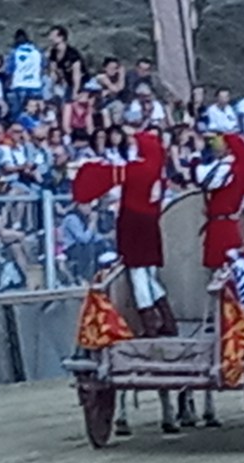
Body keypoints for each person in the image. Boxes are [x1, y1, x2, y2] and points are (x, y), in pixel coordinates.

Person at [72, 130, 177, 338]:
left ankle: (150, 325)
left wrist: (87, 169)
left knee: (137, 274)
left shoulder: (137, 168)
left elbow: (107, 175)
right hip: (150, 223)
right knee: (148, 274)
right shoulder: (159, 168)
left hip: (134, 223)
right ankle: (168, 320)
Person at [195, 133, 244, 269]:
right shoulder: (239, 168)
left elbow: (207, 182)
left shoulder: (228, 167)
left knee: (224, 268)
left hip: (223, 224)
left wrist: (198, 159)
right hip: (225, 222)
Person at [5, 29, 45, 120]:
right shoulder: (38, 51)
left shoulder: (14, 52)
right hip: (35, 85)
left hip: (19, 84)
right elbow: (43, 66)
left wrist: (8, 83)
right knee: (35, 111)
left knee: (19, 111)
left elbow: (9, 69)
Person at [48, 25, 87, 100]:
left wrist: (76, 91)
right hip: (67, 84)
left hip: (81, 84)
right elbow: (53, 71)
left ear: (61, 37)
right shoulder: (53, 53)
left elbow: (77, 75)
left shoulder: (72, 54)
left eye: (53, 36)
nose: (50, 38)